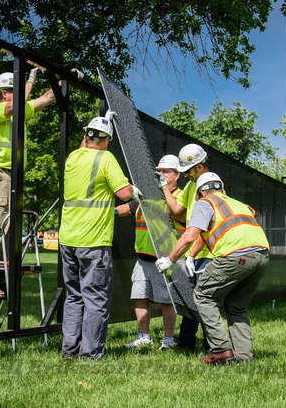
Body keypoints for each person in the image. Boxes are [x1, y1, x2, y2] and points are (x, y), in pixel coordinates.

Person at [156, 172, 270, 364]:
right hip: (261, 256)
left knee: (203, 296)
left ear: (201, 192)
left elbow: (190, 236)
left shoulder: (205, 203)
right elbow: (213, 230)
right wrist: (192, 256)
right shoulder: (238, 204)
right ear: (222, 189)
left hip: (234, 256)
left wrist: (170, 260)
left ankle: (221, 350)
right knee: (236, 306)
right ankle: (244, 357)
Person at [59, 112, 141, 360]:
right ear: (107, 141)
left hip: (68, 240)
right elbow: (125, 193)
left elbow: (86, 148)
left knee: (74, 297)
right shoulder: (106, 158)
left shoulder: (73, 157)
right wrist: (135, 190)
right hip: (94, 242)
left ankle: (69, 351)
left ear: (85, 136)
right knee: (95, 299)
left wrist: (101, 122)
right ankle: (91, 354)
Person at [0, 69, 56, 299]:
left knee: (10, 228)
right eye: (15, 91)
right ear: (4, 94)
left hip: (10, 176)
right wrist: (30, 79)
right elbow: (21, 104)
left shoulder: (18, 112)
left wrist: (60, 82)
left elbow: (45, 99)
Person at [116, 155, 184, 350]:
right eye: (159, 171)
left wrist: (164, 189)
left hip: (165, 259)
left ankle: (168, 340)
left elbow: (179, 213)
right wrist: (109, 212)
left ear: (176, 175)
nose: (161, 175)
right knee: (140, 296)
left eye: (166, 172)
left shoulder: (178, 197)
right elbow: (129, 207)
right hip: (143, 258)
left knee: (165, 300)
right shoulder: (146, 195)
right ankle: (144, 336)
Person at [161, 143, 214, 351]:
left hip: (208, 252)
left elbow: (205, 226)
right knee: (192, 301)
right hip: (194, 252)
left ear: (199, 166)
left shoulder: (210, 185)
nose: (185, 176)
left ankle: (212, 346)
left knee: (205, 302)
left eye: (188, 171)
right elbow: (176, 208)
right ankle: (186, 344)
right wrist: (164, 187)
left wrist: (190, 255)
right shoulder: (192, 185)